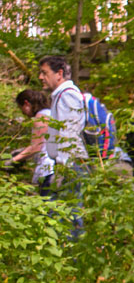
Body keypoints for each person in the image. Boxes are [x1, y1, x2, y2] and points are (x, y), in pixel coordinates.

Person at [39, 55, 89, 239]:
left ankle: (72, 259)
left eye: (45, 73)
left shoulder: (67, 95)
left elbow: (69, 132)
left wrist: (63, 166)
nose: (40, 77)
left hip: (70, 166)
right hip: (69, 164)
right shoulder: (62, 95)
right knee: (63, 212)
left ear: (59, 74)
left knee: (69, 213)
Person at [9, 90, 56, 196]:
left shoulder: (41, 117)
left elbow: (36, 147)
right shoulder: (51, 113)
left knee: (47, 206)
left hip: (48, 169)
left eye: (21, 109)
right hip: (55, 167)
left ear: (26, 103)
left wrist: (13, 160)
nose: (23, 113)